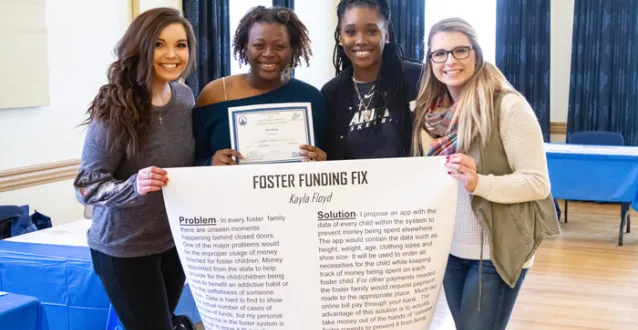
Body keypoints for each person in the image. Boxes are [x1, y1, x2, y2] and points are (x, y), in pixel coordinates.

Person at [412, 18, 559, 329]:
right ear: (430, 60)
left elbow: (538, 183)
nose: (449, 61)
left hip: (496, 251)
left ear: (476, 53)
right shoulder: (429, 114)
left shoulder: (506, 106)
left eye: (459, 50)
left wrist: (480, 182)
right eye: (439, 53)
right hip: (450, 252)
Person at [73, 8, 197, 330]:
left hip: (171, 243)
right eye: (159, 44)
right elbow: (86, 187)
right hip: (123, 249)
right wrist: (134, 185)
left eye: (181, 45)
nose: (172, 54)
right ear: (140, 47)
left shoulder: (185, 98)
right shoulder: (115, 108)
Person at [193, 6, 326, 165]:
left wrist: (324, 162)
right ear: (245, 48)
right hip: (230, 189)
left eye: (279, 46)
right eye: (259, 45)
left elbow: (329, 158)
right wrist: (210, 163)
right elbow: (191, 160)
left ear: (292, 50)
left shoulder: (311, 97)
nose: (269, 53)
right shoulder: (214, 94)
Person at [321, 0, 423, 160]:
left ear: (386, 35)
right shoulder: (331, 93)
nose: (360, 40)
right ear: (341, 37)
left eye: (371, 31)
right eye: (350, 32)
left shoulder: (417, 78)